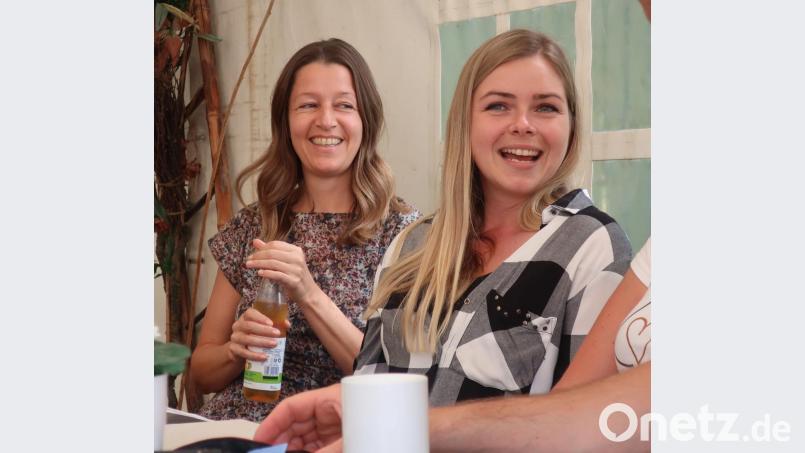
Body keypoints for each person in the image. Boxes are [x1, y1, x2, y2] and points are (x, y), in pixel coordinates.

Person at [254, 28, 635, 449]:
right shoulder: (413, 242)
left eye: (546, 107)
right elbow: (371, 381)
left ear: (571, 126)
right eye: (498, 106)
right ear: (464, 122)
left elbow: (586, 427)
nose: (522, 124)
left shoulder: (590, 244)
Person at [190, 38, 421, 422]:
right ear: (286, 121)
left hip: (332, 431)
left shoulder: (402, 232)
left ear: (366, 119)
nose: (326, 120)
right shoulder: (255, 224)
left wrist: (308, 293)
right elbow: (201, 372)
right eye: (308, 105)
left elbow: (397, 378)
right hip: (240, 430)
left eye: (344, 105)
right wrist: (235, 350)